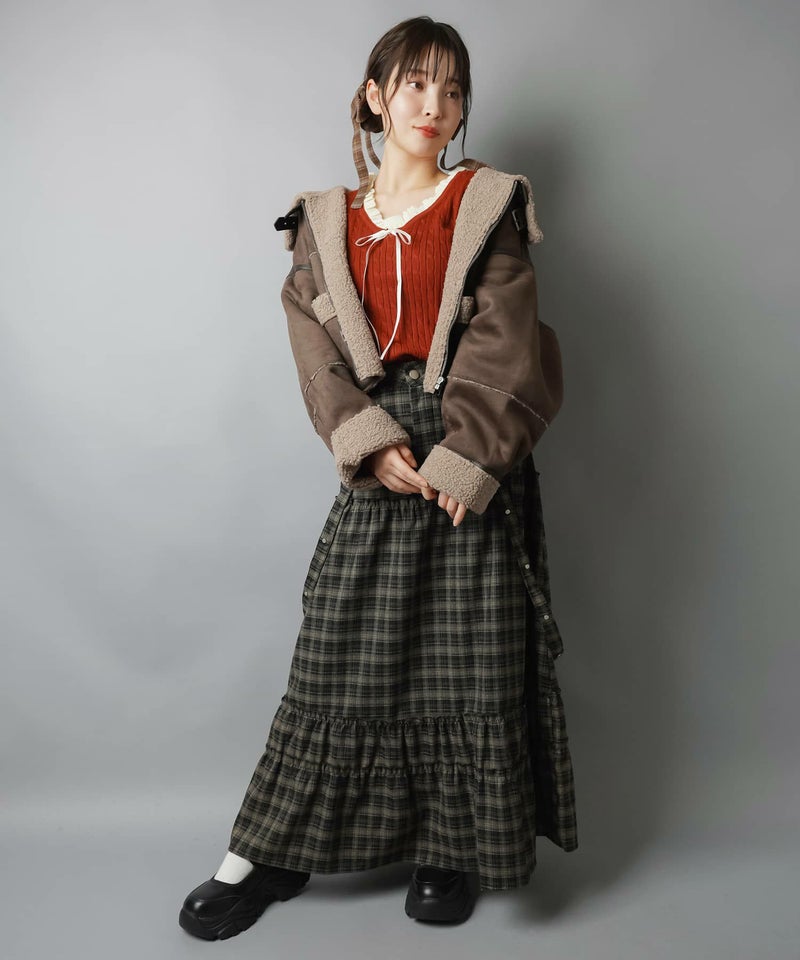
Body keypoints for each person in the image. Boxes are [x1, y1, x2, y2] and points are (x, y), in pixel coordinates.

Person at [179, 15, 578, 937]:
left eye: (452, 90)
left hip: (473, 443)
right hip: (377, 446)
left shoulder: (485, 202)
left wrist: (467, 456)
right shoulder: (327, 220)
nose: (435, 106)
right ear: (375, 96)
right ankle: (268, 854)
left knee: (467, 652)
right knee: (336, 652)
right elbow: (313, 344)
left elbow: (508, 335)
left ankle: (450, 848)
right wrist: (363, 439)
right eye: (415, 85)